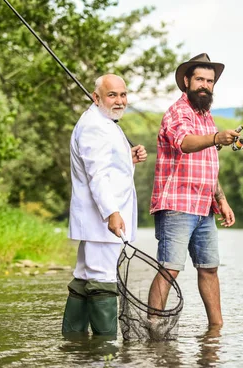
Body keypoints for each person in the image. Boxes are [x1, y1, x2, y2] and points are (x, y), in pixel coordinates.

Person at [148, 53, 240, 328]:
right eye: (199, 79)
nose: (205, 85)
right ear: (186, 81)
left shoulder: (207, 117)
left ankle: (216, 329)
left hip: (204, 207)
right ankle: (153, 325)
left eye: (210, 81)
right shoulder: (178, 112)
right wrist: (215, 138)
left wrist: (221, 200)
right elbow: (185, 143)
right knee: (170, 269)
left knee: (210, 268)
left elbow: (207, 165)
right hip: (177, 206)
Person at [62, 74, 148, 337]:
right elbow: (96, 174)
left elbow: (105, 164)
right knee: (102, 280)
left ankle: (75, 346)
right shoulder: (95, 126)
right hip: (103, 220)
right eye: (112, 95)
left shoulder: (102, 120)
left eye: (123, 95)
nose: (120, 100)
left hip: (97, 221)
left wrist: (127, 157)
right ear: (95, 97)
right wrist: (112, 213)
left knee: (85, 276)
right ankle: (105, 351)